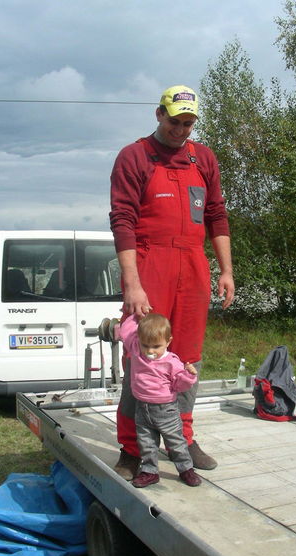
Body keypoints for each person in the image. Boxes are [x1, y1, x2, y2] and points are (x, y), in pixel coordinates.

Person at [110, 84, 235, 479]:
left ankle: (181, 436)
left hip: (193, 265)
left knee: (188, 358)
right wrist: (132, 283)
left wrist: (226, 270)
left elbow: (216, 215)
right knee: (142, 357)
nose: (182, 130)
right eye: (176, 121)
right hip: (150, 263)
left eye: (189, 123)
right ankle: (132, 447)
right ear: (159, 114)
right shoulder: (135, 157)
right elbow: (123, 221)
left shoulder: (204, 159)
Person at [119, 313, 202, 487]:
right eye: (145, 345)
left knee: (176, 442)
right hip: (142, 408)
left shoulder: (172, 362)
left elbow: (180, 386)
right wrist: (134, 314)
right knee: (147, 443)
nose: (150, 351)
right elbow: (126, 332)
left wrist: (188, 376)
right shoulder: (135, 349)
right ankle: (150, 472)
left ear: (168, 341)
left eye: (156, 346)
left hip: (166, 410)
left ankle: (186, 470)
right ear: (139, 341)